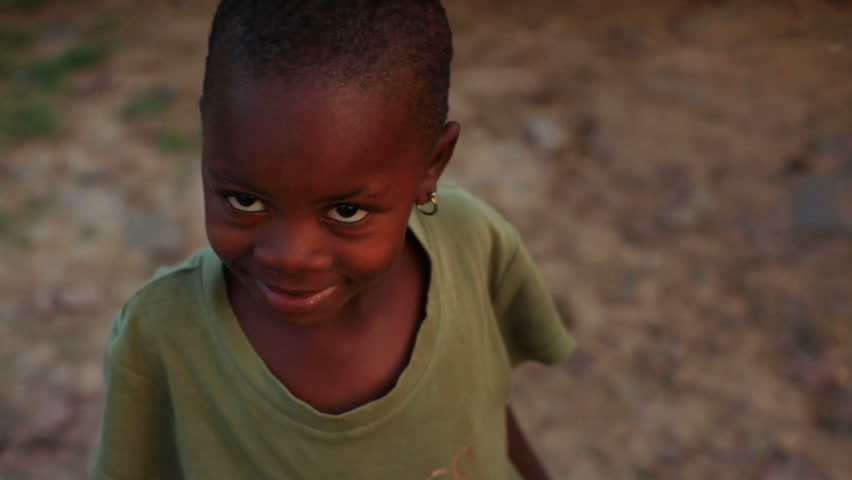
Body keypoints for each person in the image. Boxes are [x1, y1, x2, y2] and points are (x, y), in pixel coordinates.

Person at [89, 1, 575, 479]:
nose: (288, 256)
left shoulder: (472, 241)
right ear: (207, 132)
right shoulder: (161, 334)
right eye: (243, 200)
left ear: (433, 164)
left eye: (347, 211)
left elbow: (487, 403)